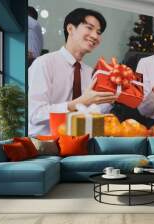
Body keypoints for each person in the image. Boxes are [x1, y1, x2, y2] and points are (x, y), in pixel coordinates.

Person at [28, 8, 117, 136]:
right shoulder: (44, 64)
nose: (95, 36)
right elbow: (35, 114)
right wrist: (79, 103)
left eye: (98, 32)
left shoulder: (91, 73)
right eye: (89, 28)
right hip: (46, 146)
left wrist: (110, 99)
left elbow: (94, 112)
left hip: (82, 145)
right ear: (70, 29)